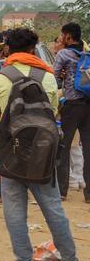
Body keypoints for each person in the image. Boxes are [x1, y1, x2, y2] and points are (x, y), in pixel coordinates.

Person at [0, 28, 90, 261]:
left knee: (15, 215)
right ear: (34, 49)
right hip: (43, 154)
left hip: (10, 154)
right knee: (54, 210)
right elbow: (53, 112)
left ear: (7, 49)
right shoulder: (47, 77)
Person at [55, 23, 90, 201]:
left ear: (68, 36)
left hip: (72, 104)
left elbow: (53, 75)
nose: (61, 39)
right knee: (88, 148)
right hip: (88, 104)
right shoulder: (87, 54)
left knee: (64, 147)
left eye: (62, 36)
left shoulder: (64, 53)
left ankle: (61, 191)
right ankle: (89, 194)